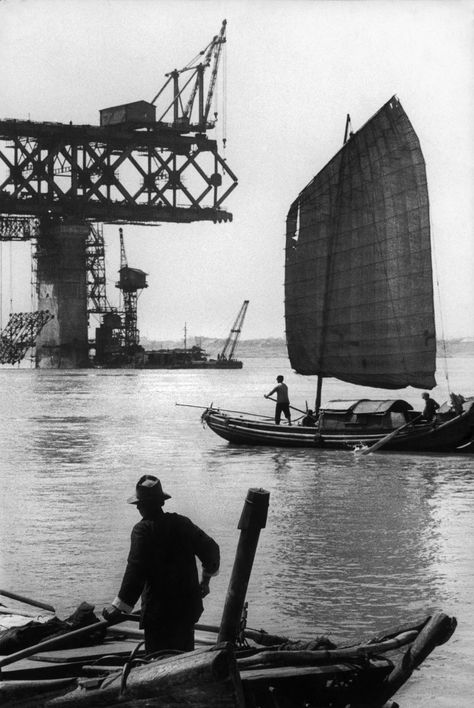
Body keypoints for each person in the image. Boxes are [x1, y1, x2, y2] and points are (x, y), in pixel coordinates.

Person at [102, 475, 220, 654]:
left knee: (157, 661)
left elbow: (136, 569)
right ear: (161, 503)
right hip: (186, 609)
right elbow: (211, 550)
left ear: (140, 506)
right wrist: (205, 582)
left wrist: (119, 606)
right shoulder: (182, 523)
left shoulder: (142, 530)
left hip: (159, 613)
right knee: (183, 657)